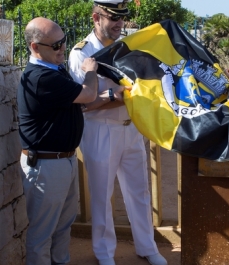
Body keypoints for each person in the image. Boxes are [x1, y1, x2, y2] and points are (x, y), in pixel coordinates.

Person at [17, 17, 125, 265]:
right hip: (46, 166)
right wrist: (90, 71)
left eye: (63, 41)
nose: (63, 49)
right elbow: (87, 94)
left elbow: (81, 104)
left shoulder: (55, 70)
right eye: (56, 45)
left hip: (61, 162)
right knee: (41, 235)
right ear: (35, 47)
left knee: (63, 227)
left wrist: (109, 96)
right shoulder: (40, 77)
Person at [68, 1, 167, 265]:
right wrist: (116, 96)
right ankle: (104, 253)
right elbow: (83, 101)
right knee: (101, 196)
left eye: (121, 18)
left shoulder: (128, 45)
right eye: (112, 18)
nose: (118, 24)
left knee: (139, 192)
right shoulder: (82, 53)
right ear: (95, 18)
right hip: (101, 130)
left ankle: (147, 247)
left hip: (131, 128)